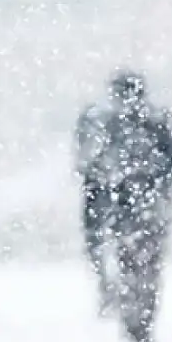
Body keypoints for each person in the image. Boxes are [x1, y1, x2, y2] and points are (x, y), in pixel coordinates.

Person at [81, 69, 172, 342]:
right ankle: (141, 317)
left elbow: (94, 169)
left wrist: (98, 205)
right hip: (149, 206)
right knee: (147, 265)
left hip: (128, 207)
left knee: (131, 263)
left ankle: (136, 317)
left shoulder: (111, 125)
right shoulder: (157, 122)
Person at [74, 100, 117, 316]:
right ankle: (113, 286)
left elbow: (82, 160)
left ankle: (108, 285)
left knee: (97, 243)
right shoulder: (145, 121)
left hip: (98, 191)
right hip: (120, 193)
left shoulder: (94, 118)